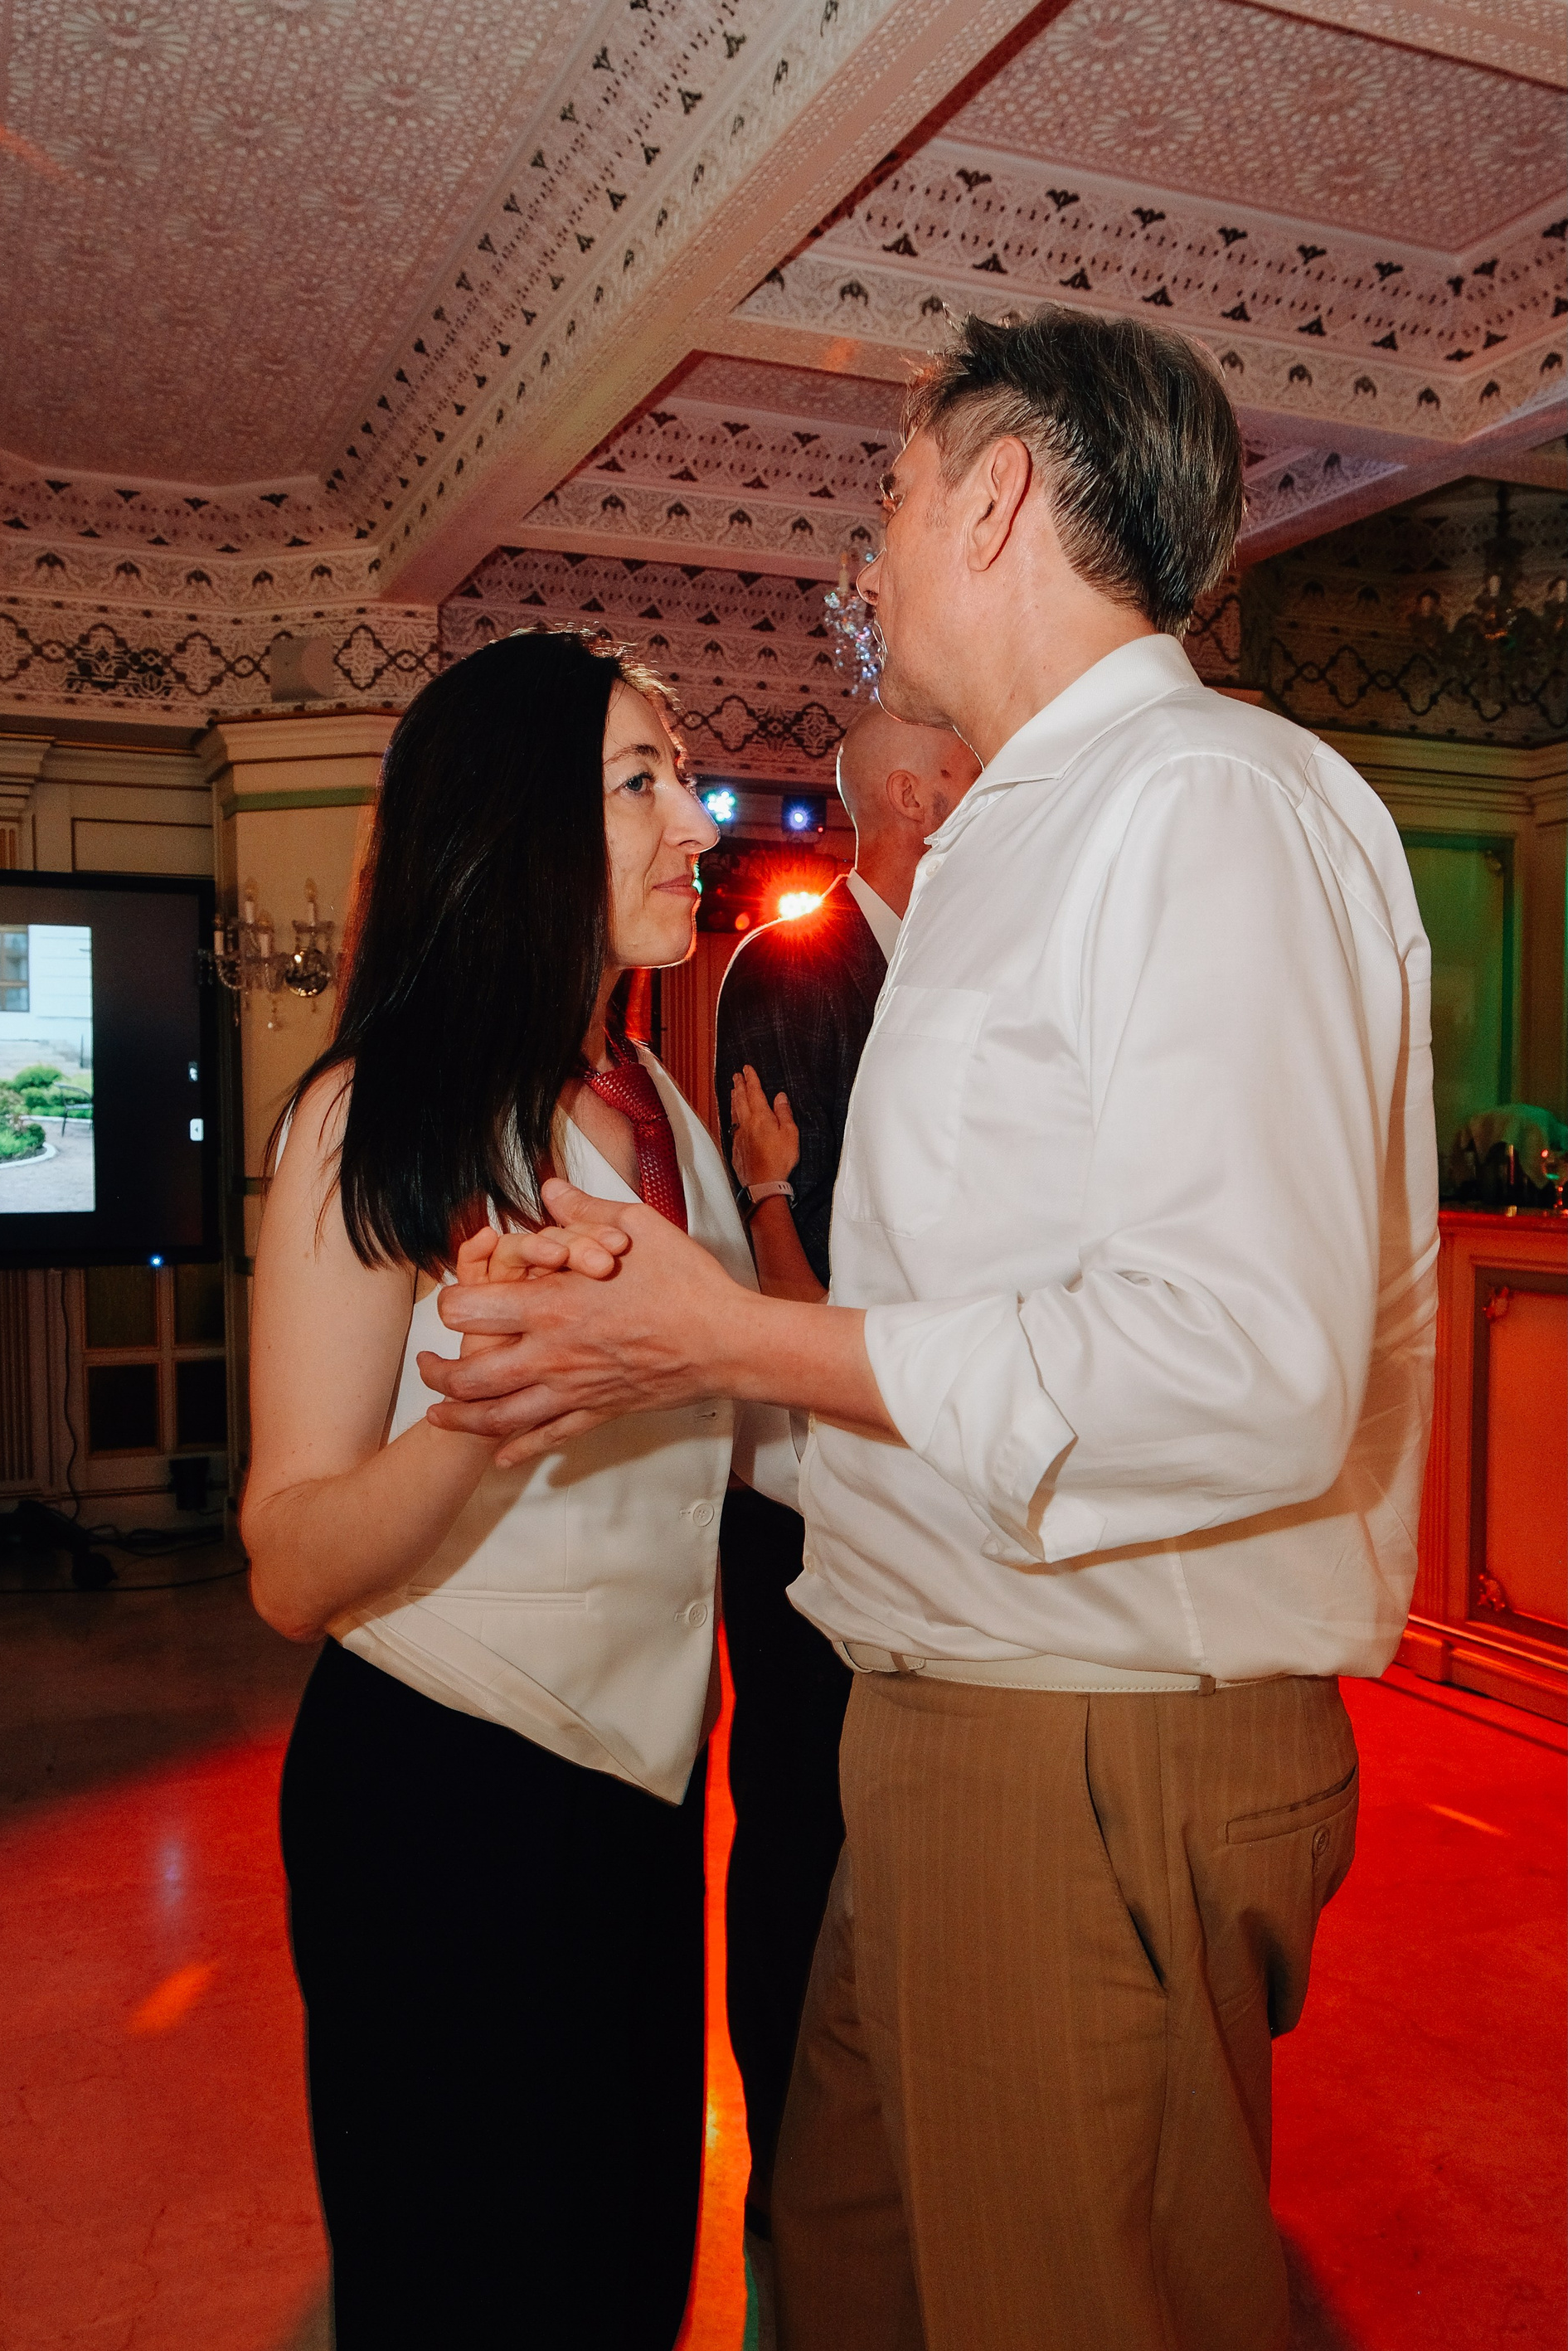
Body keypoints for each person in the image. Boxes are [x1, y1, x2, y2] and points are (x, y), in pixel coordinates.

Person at [420, 307, 1439, 2351]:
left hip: (1083, 1740)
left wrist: (735, 1342)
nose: (864, 558)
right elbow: (961, 1351)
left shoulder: (1202, 802)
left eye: (887, 498)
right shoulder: (1027, 835)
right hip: (947, 1725)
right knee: (854, 2277)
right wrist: (659, 1351)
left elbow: (1237, 1367)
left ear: (998, 501)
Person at [240, 629, 798, 2350]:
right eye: (640, 782)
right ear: (513, 820)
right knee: (472, 2296)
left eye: (680, 778)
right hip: (446, 1797)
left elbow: (732, 1432)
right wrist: (479, 1425)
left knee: (624, 2278)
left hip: (641, 1797)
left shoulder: (663, 1113)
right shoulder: (372, 1119)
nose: (696, 823)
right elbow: (288, 1561)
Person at [711, 709, 980, 2291]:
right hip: (804, 1482)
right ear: (910, 795)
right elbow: (793, 1250)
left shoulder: (972, 965)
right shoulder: (791, 966)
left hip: (925, 1464)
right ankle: (789, 2176)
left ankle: (892, 2161)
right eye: (967, 772)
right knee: (801, 1819)